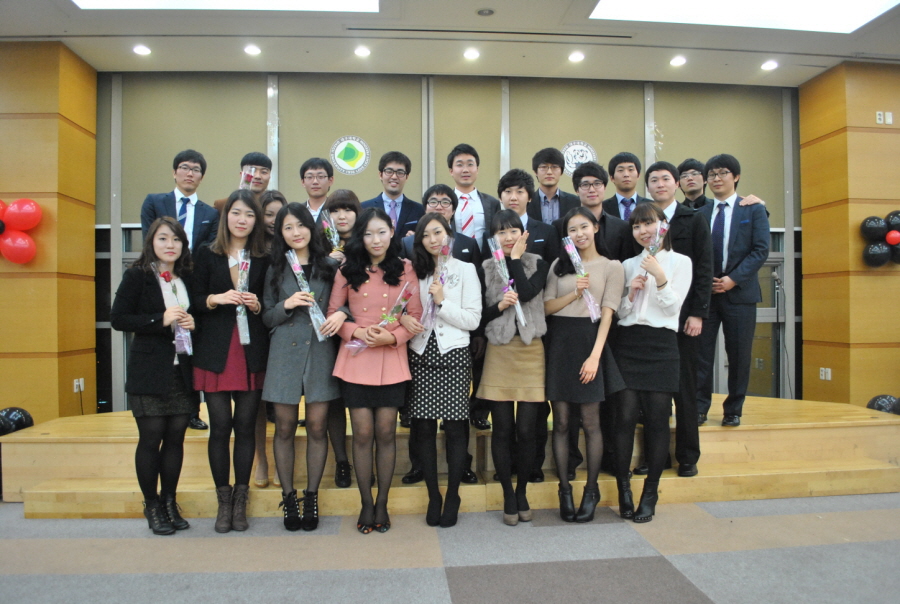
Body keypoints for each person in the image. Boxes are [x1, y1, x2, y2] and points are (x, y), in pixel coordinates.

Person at [326, 207, 423, 534]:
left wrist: (393, 337)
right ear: (360, 237)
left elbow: (414, 315)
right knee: (363, 434)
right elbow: (333, 312)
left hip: (390, 359)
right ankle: (366, 502)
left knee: (386, 433)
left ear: (392, 231)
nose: (375, 240)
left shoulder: (405, 268)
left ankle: (382, 502)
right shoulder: (347, 269)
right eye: (368, 234)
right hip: (356, 358)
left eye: (381, 232)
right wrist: (356, 331)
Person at [110, 217, 197, 535]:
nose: (170, 245)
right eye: (163, 239)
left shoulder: (187, 277)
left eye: (176, 239)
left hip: (182, 370)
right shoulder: (138, 276)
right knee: (151, 439)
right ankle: (152, 505)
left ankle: (169, 501)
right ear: (151, 242)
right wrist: (159, 319)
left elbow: (196, 316)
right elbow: (119, 319)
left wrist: (193, 324)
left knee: (176, 439)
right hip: (149, 371)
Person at [262, 203, 345, 531]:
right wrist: (286, 304)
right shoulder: (275, 267)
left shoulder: (330, 265)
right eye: (288, 227)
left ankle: (311, 496)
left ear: (311, 227)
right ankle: (288, 497)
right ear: (280, 233)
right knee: (283, 427)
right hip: (284, 353)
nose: (296, 232)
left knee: (317, 426)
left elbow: (348, 303)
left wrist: (342, 315)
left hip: (321, 351)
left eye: (300, 225)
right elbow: (266, 316)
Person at [191, 189, 269, 533]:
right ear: (226, 217)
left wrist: (258, 304)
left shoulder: (264, 257)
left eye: (249, 215)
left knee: (246, 426)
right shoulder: (206, 254)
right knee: (220, 426)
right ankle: (223, 501)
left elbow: (272, 300)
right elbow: (192, 299)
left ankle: (241, 499)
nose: (242, 220)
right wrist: (214, 298)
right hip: (216, 350)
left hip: (252, 350)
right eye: (237, 213)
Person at [543, 207, 624, 522]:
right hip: (560, 344)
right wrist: (574, 294)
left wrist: (595, 356)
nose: (579, 234)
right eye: (572, 230)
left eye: (583, 227)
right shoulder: (558, 265)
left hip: (591, 342)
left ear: (595, 228)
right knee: (562, 422)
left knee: (591, 422)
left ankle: (591, 490)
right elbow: (546, 308)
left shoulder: (611, 266)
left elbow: (608, 312)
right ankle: (564, 490)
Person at [613, 203, 692, 523]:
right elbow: (619, 313)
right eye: (636, 226)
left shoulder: (681, 262)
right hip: (628, 343)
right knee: (624, 418)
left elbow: (673, 310)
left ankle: (650, 491)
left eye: (648, 223)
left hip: (662, 345)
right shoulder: (627, 264)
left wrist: (660, 278)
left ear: (663, 225)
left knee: (658, 421)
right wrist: (629, 295)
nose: (643, 231)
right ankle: (623, 488)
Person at [403, 213, 482, 527]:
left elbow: (473, 319)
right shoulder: (413, 270)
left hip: (454, 353)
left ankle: (453, 495)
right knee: (423, 427)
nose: (433, 239)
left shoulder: (465, 269)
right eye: (426, 235)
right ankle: (433, 494)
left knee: (454, 427)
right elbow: (400, 308)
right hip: (421, 352)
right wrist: (403, 318)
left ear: (449, 234)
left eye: (438, 232)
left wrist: (442, 302)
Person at [477, 208, 549, 526]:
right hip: (500, 350)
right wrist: (498, 306)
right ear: (493, 237)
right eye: (501, 232)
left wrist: (516, 259)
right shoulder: (486, 267)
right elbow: (478, 315)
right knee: (503, 428)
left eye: (513, 231)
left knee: (528, 429)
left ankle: (522, 491)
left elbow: (529, 293)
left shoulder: (538, 262)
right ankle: (508, 493)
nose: (508, 237)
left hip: (531, 350)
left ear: (523, 234)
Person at [139, 148, 218, 431]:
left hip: (192, 282)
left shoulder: (211, 213)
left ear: (202, 177)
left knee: (190, 343)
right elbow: (149, 239)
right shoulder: (154, 202)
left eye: (196, 170)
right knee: (161, 339)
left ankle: (191, 410)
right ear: (174, 172)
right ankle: (155, 403)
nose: (189, 173)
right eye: (184, 167)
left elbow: (208, 251)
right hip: (158, 278)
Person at [644, 161, 713, 478]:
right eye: (654, 180)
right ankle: (653, 457)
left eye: (665, 179)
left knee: (685, 390)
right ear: (648, 187)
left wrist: (698, 313)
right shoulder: (643, 220)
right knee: (653, 393)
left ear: (677, 184)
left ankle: (687, 456)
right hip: (651, 320)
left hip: (685, 319)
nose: (660, 184)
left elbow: (705, 268)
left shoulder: (693, 219)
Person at [493, 169, 559, 484]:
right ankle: (506, 468)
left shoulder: (543, 238)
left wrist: (517, 258)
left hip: (535, 336)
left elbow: (538, 286)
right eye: (508, 191)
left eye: (519, 191)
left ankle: (532, 465)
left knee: (533, 416)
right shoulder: (491, 245)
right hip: (501, 340)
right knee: (503, 419)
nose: (513, 196)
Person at [696, 154, 770, 427]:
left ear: (736, 176)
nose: (717, 179)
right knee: (701, 355)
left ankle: (733, 409)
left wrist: (733, 279)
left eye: (723, 173)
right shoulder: (701, 213)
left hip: (740, 295)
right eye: (712, 174)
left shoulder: (753, 209)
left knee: (739, 355)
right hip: (707, 296)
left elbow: (760, 250)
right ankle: (699, 408)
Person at [319, 188, 361, 488]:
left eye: (347, 209)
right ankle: (342, 461)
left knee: (360, 404)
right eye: (335, 210)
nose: (341, 215)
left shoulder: (367, 244)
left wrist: (345, 312)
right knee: (333, 401)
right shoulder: (318, 246)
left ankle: (364, 460)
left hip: (360, 334)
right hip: (325, 333)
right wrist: (326, 261)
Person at [253, 189, 287, 490]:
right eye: (268, 214)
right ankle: (261, 459)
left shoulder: (290, 247)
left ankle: (280, 461)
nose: (274, 220)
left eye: (280, 214)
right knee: (255, 402)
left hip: (283, 328)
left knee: (281, 404)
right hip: (254, 329)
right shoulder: (251, 249)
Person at [447, 143, 501, 253]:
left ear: (477, 169)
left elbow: (496, 236)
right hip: (453, 259)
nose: (465, 170)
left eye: (470, 164)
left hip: (484, 260)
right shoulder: (445, 203)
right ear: (451, 171)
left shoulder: (492, 203)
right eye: (459, 165)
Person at [361, 151, 424, 242]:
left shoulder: (419, 210)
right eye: (389, 171)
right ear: (380, 175)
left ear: (407, 177)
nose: (394, 177)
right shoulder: (364, 208)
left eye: (400, 172)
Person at [526, 147, 580, 225]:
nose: (549, 172)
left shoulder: (575, 202)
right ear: (535, 172)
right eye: (544, 167)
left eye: (554, 167)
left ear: (561, 171)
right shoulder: (526, 202)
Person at [602, 152, 650, 220]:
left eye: (631, 170)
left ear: (638, 175)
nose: (626, 174)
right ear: (612, 178)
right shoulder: (602, 208)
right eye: (620, 170)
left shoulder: (651, 206)